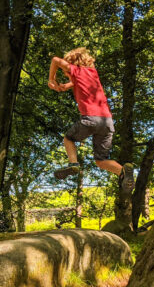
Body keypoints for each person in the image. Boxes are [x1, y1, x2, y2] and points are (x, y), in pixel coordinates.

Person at [47, 47, 134, 194]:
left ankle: (74, 164)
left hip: (90, 119)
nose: (66, 74)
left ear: (71, 64)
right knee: (101, 161)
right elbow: (77, 83)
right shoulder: (92, 73)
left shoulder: (74, 69)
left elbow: (55, 60)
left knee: (68, 139)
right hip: (107, 122)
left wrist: (51, 79)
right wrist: (66, 86)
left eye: (65, 72)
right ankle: (123, 171)